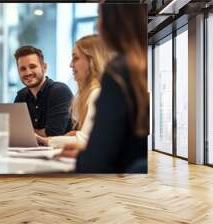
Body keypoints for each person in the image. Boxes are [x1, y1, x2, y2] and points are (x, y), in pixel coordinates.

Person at [60, 3, 149, 173]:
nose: (96, 25)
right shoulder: (142, 67)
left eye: (100, 16)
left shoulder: (118, 72)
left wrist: (83, 157)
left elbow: (98, 160)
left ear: (113, 22)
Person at [36, 34, 111, 148]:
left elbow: (86, 140)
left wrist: (46, 141)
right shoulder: (90, 94)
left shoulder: (98, 94)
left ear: (92, 60)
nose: (71, 65)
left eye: (75, 58)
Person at [14, 45, 73, 137]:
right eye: (22, 69)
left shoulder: (60, 91)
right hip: (31, 151)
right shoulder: (21, 96)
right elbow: (13, 131)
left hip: (60, 150)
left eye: (32, 66)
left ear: (44, 67)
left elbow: (53, 134)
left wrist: (24, 132)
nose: (28, 72)